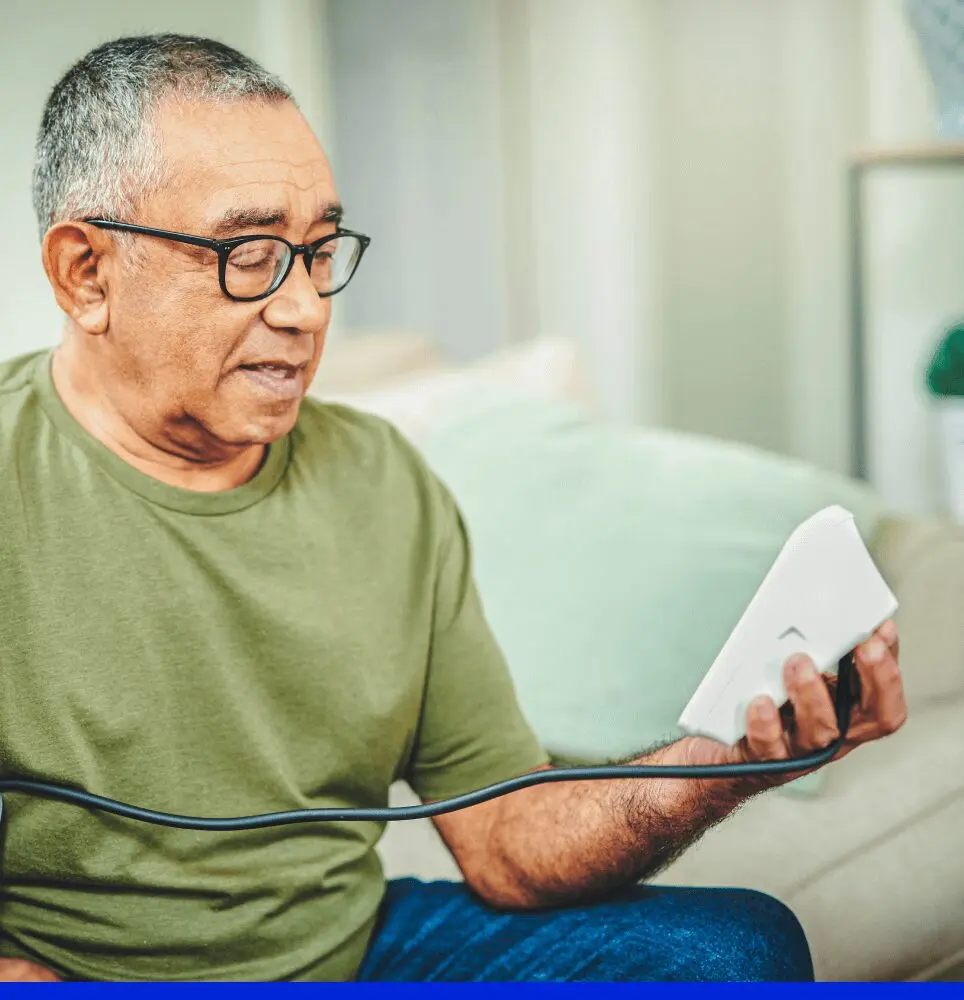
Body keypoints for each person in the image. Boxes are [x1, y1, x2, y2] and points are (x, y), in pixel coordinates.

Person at [0, 33, 907, 984]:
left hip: (351, 956)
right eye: (253, 253)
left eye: (318, 252)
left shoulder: (386, 480)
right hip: (77, 973)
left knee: (734, 948)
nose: (306, 307)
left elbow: (507, 840)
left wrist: (723, 759)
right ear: (86, 275)